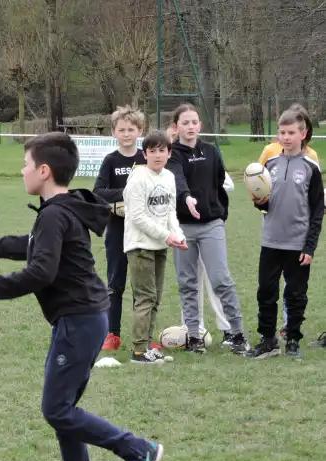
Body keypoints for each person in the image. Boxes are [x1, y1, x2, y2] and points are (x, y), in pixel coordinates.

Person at [0, 132, 162, 461]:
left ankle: (138, 451)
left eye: (25, 164)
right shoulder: (62, 209)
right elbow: (35, 245)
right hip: (84, 318)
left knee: (57, 410)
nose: (22, 171)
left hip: (79, 320)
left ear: (44, 171)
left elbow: (40, 271)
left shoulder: (55, 214)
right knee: (65, 410)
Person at [167, 103, 250, 354]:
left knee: (221, 279)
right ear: (176, 127)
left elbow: (219, 183)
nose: (190, 127)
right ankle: (194, 337)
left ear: (200, 125)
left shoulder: (212, 151)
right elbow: (177, 180)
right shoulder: (173, 154)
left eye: (194, 122)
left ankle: (237, 333)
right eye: (185, 123)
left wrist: (219, 214)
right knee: (187, 283)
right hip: (183, 228)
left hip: (211, 225)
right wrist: (187, 198)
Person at [246, 108, 324, 359]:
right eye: (282, 132)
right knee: (266, 292)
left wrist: (309, 247)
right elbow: (266, 203)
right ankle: (268, 340)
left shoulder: (311, 167)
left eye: (291, 132)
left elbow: (317, 210)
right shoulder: (270, 164)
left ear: (303, 134)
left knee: (295, 294)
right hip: (271, 240)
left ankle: (293, 338)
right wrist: (260, 201)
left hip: (298, 243)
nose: (286, 137)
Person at [122, 131, 187, 364]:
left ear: (169, 153)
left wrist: (177, 235)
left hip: (161, 244)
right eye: (152, 151)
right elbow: (137, 216)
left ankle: (148, 345)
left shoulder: (168, 177)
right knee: (145, 297)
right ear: (145, 154)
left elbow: (170, 212)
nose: (157, 155)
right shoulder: (138, 178)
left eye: (162, 150)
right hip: (140, 245)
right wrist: (167, 236)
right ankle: (139, 351)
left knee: (156, 297)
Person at [93, 105, 146, 351]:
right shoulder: (111, 161)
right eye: (122, 129)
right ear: (114, 132)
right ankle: (112, 333)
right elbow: (98, 193)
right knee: (115, 283)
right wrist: (126, 194)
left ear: (139, 131)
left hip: (144, 231)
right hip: (116, 230)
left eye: (131, 129)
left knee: (143, 285)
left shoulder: (146, 158)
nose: (126, 134)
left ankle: (143, 335)